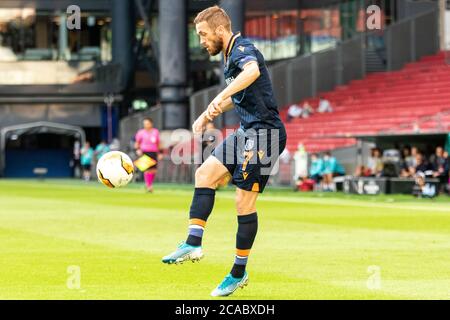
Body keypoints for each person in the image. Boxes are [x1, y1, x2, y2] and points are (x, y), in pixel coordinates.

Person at [161, 5, 287, 297]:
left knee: (243, 202)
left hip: (265, 134)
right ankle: (193, 243)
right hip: (248, 131)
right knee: (204, 173)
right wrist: (210, 112)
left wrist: (218, 96)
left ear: (220, 30)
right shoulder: (230, 55)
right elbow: (242, 93)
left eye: (203, 34)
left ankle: (238, 273)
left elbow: (252, 72)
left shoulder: (243, 49)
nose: (201, 41)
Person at [135, 117, 162, 193]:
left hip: (153, 152)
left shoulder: (155, 132)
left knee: (153, 170)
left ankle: (149, 185)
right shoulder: (141, 132)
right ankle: (149, 186)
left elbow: (158, 143)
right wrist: (138, 150)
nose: (146, 125)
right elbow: (137, 143)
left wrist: (160, 153)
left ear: (151, 124)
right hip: (144, 152)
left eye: (147, 123)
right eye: (145, 124)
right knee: (147, 169)